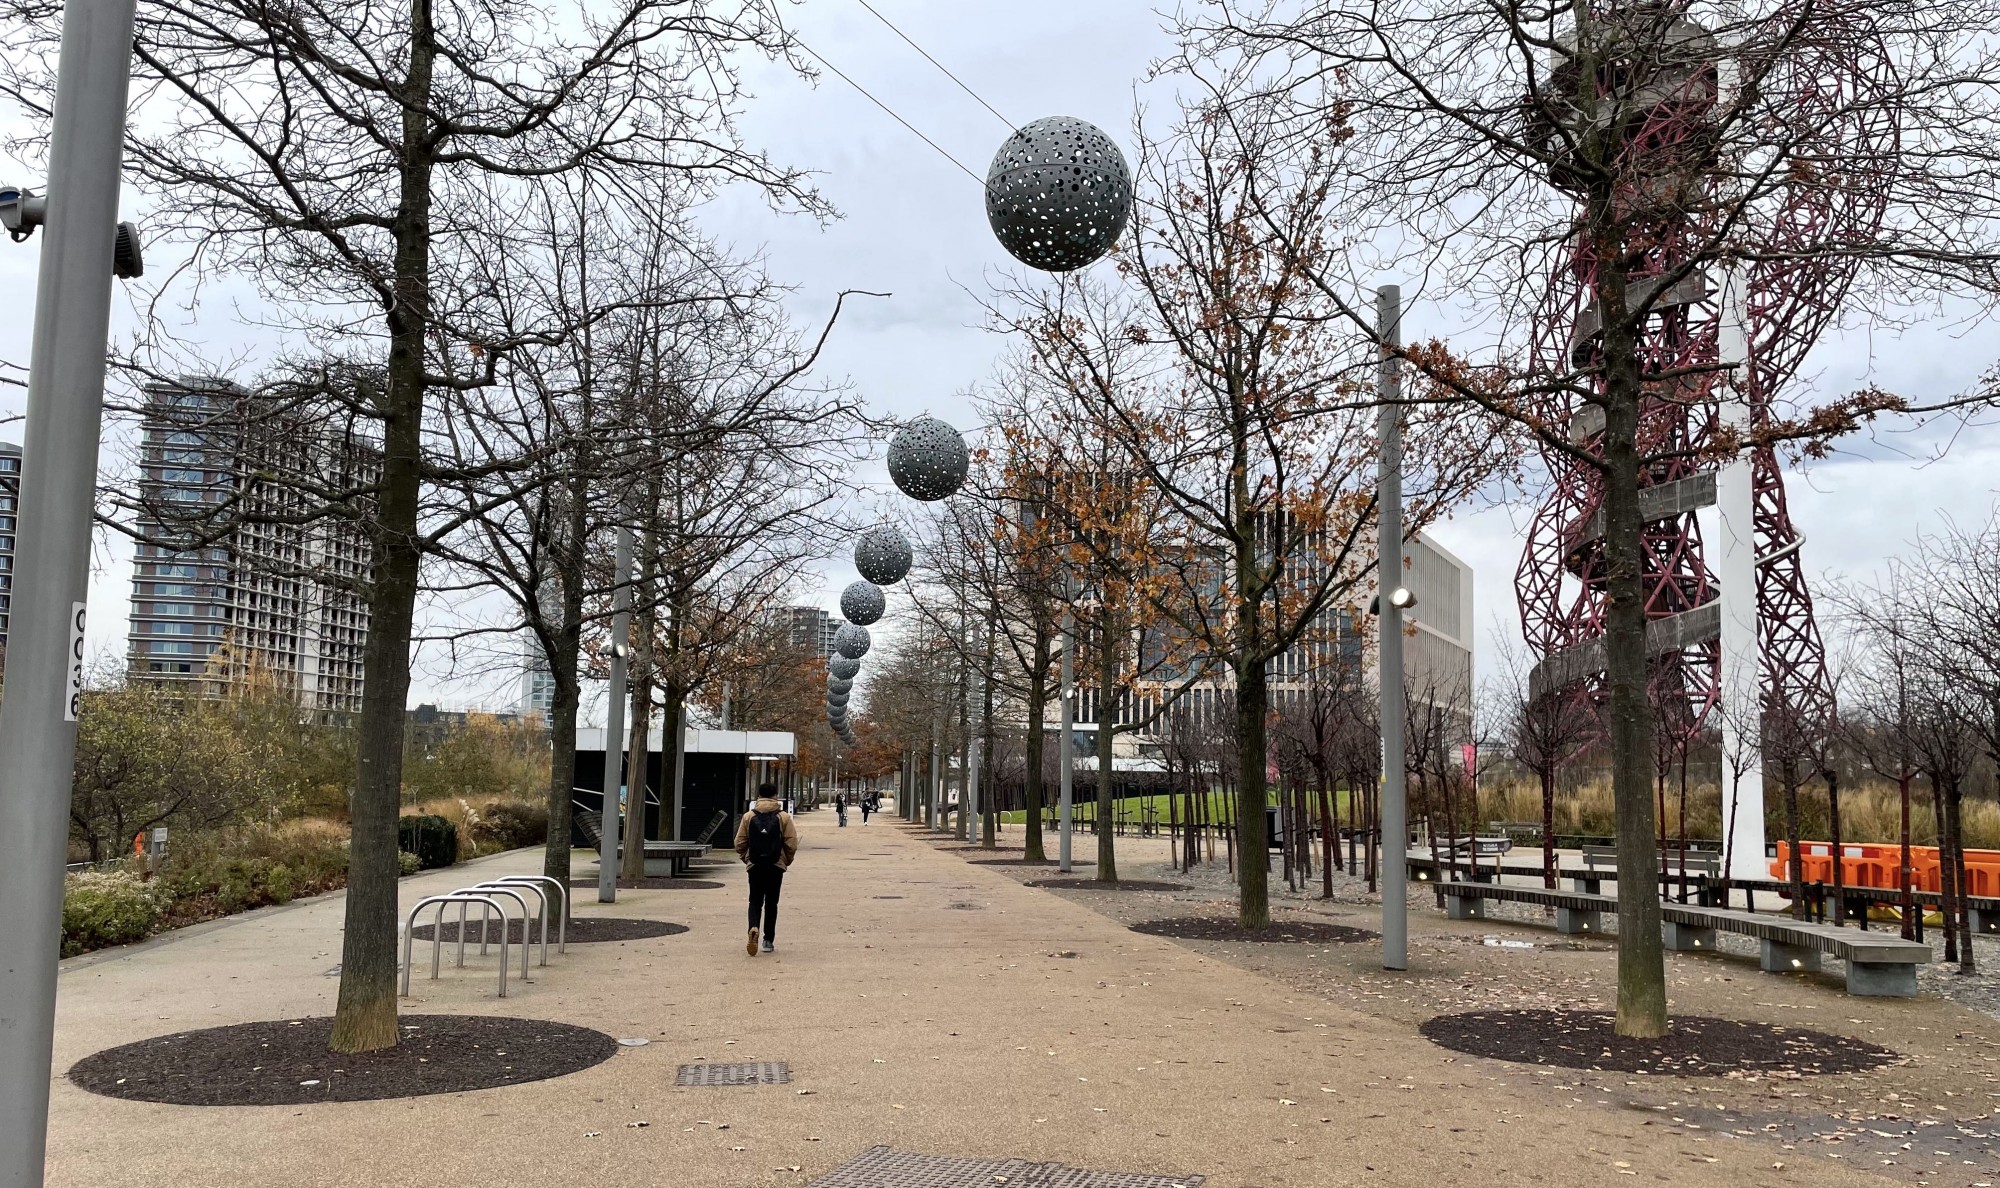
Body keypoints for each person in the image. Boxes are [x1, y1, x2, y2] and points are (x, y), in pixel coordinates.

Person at [734, 783, 798, 956]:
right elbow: (791, 843)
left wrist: (747, 859)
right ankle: (768, 940)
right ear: (776, 795)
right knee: (771, 903)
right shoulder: (783, 817)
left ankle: (753, 926)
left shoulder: (749, 816)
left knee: (755, 900)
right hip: (775, 865)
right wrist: (786, 861)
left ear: (759, 796)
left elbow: (739, 843)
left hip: (755, 865)